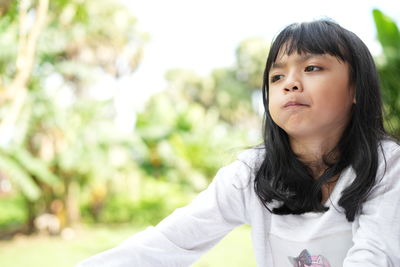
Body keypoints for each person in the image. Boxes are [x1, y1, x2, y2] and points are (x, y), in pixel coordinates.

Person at [77, 19, 400, 267]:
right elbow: (170, 242)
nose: (290, 83)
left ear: (357, 89)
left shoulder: (388, 165)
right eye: (276, 77)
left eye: (312, 68)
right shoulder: (251, 173)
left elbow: (375, 256)